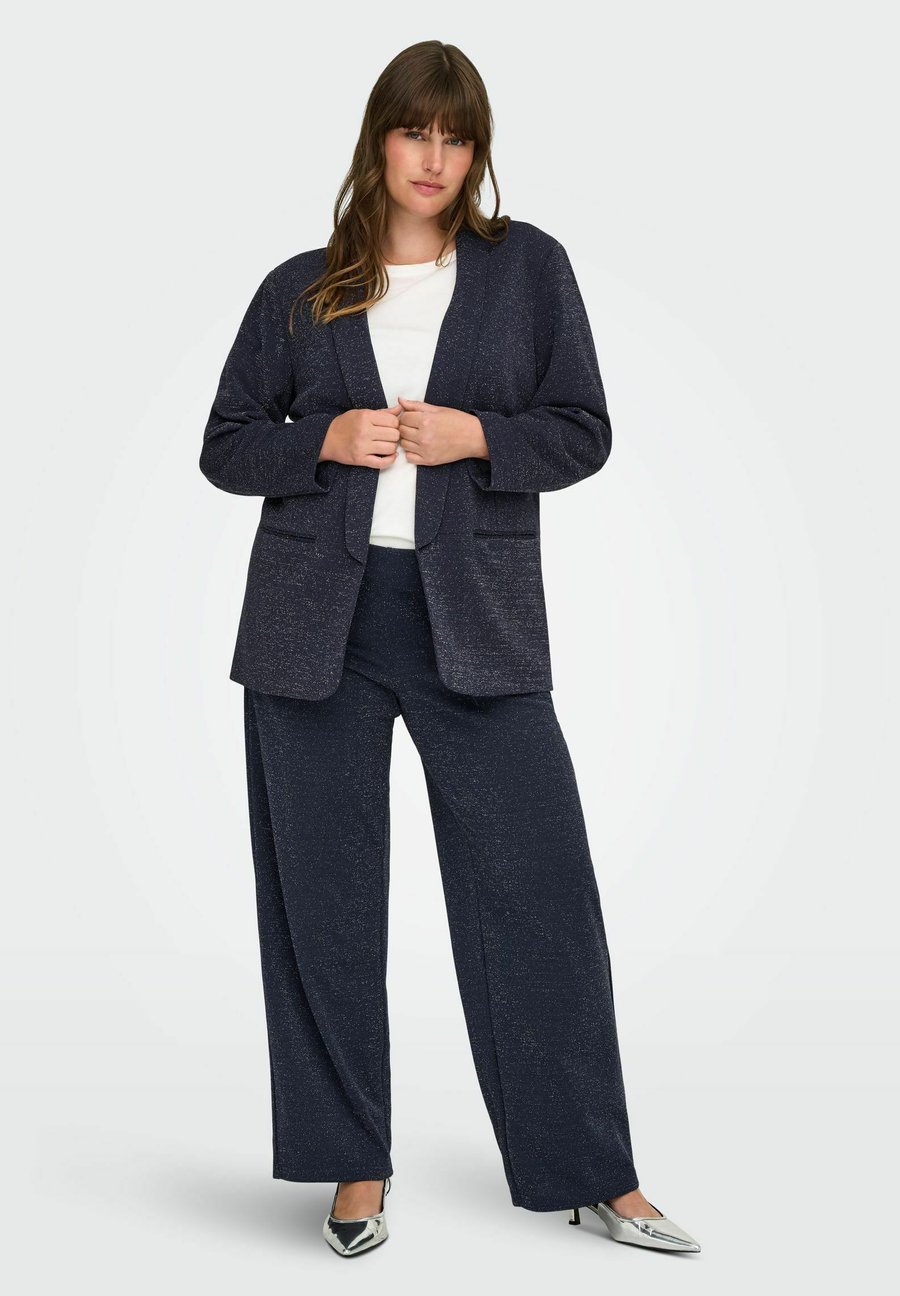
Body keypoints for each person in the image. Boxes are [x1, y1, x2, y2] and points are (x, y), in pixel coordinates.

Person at [199, 39, 701, 1259]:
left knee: (540, 895)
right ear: (377, 139)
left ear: (476, 151)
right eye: (414, 131)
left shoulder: (528, 270)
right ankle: (352, 1168)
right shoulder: (301, 289)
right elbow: (225, 445)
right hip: (313, 629)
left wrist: (479, 435)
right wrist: (325, 438)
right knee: (322, 909)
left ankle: (593, 1172)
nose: (433, 157)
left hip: (475, 621)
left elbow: (582, 428)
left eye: (456, 135)